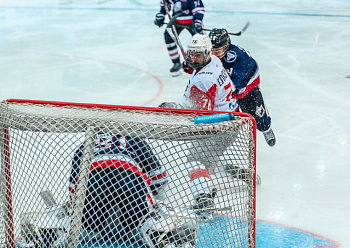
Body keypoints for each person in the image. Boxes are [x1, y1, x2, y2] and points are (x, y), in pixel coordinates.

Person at [67, 133, 197, 247]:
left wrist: (76, 209)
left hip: (93, 180)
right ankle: (156, 231)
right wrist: (153, 201)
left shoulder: (89, 140)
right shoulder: (133, 136)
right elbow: (159, 177)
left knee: (87, 231)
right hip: (129, 177)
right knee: (140, 224)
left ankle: (66, 231)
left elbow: (74, 185)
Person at [208, 28, 276, 147]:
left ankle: (266, 129)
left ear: (226, 46)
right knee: (229, 118)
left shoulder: (239, 57)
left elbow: (237, 84)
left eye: (217, 50)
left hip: (248, 88)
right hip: (232, 88)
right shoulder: (215, 55)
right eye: (211, 50)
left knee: (258, 113)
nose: (213, 54)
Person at [154, 0, 205, 76]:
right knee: (169, 37)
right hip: (177, 20)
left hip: (192, 21)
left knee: (202, 42)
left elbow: (198, 8)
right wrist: (161, 14)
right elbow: (166, 4)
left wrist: (197, 21)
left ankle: (204, 64)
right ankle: (176, 63)